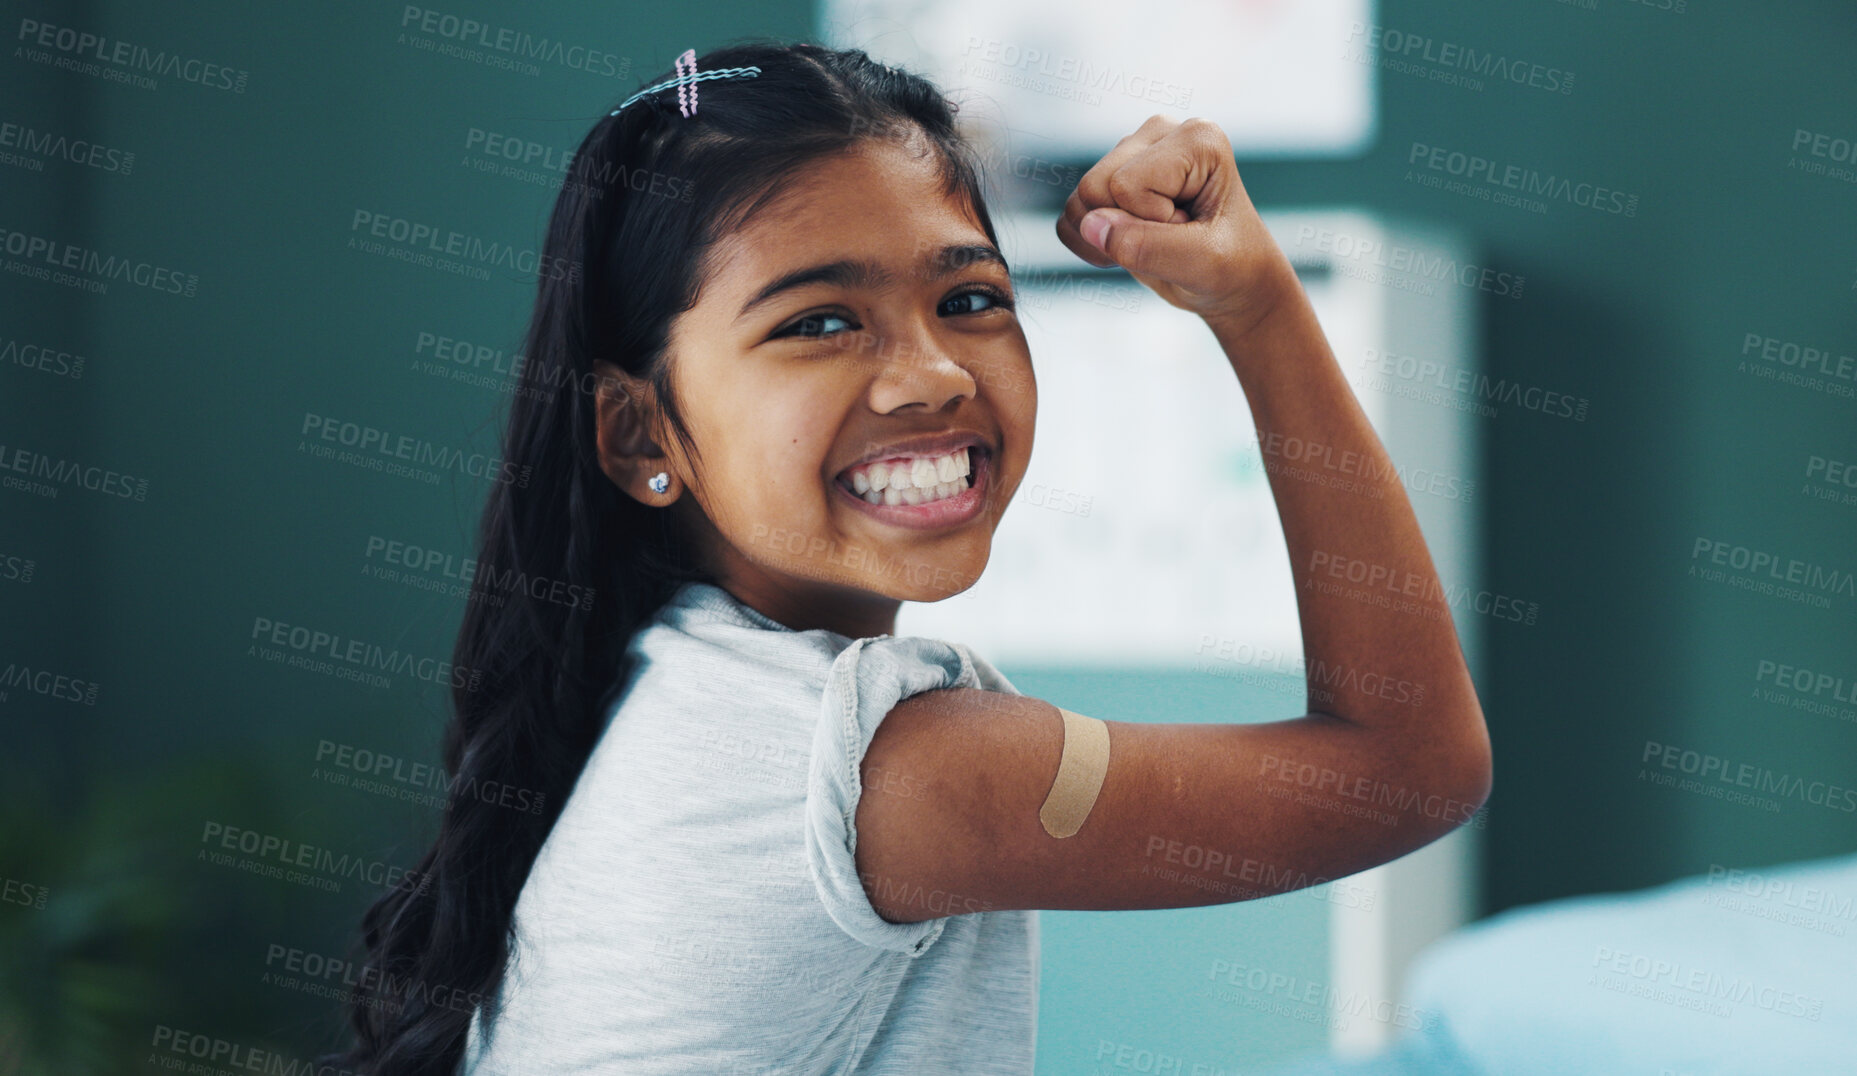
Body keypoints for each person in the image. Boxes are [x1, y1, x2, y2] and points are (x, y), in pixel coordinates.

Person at [324, 39, 1492, 1076]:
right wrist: (1259, 307)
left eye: (971, 296)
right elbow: (1409, 763)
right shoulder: (889, 766)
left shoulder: (677, 674)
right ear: (641, 435)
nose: (933, 371)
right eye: (818, 321)